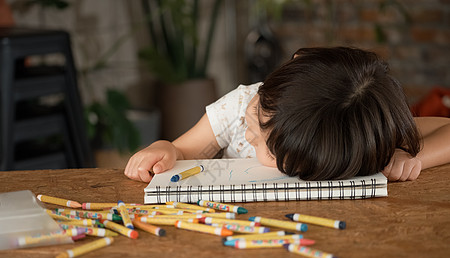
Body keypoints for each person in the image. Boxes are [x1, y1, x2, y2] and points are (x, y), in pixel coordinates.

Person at [125, 47, 450, 183]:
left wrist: (408, 154)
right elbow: (184, 151)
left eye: (268, 146)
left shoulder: (354, 133)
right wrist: (168, 148)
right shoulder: (240, 105)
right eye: (255, 119)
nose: (249, 134)